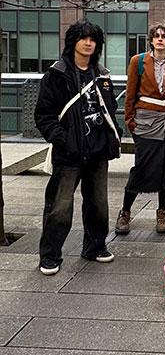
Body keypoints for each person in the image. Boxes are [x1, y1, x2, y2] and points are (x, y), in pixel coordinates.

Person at [35, 21, 122, 276]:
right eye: (83, 38)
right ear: (72, 41)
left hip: (97, 150)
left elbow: (109, 110)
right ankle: (50, 256)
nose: (88, 43)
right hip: (68, 152)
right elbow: (43, 114)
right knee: (59, 206)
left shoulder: (102, 75)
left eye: (93, 40)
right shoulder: (57, 74)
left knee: (98, 203)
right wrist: (62, 138)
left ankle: (95, 247)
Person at [115, 23, 165, 235]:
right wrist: (130, 121)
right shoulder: (138, 61)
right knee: (142, 166)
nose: (160, 40)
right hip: (144, 121)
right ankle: (126, 211)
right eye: (156, 36)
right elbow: (130, 92)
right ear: (151, 40)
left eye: (164, 37)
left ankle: (162, 210)